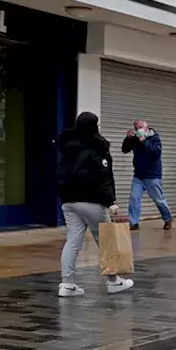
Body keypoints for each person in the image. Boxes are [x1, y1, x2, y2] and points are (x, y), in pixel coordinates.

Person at [56, 112, 134, 297]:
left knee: (72, 241)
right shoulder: (96, 146)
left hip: (69, 202)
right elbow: (103, 176)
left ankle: (66, 284)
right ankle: (114, 282)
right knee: (106, 241)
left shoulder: (67, 146)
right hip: (92, 201)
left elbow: (61, 173)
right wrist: (110, 202)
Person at [121, 120, 173, 231]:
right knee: (134, 199)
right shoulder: (135, 139)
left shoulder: (155, 138)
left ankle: (168, 219)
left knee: (159, 200)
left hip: (152, 176)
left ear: (146, 128)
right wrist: (128, 138)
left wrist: (144, 141)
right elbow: (125, 149)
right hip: (138, 175)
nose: (138, 130)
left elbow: (155, 153)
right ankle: (134, 223)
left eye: (140, 127)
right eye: (136, 128)